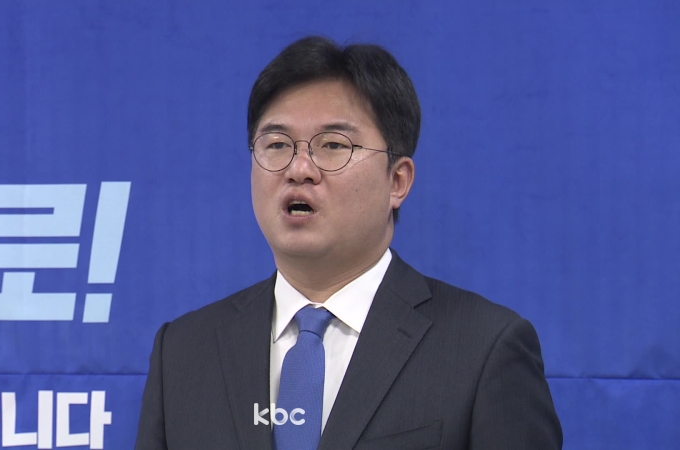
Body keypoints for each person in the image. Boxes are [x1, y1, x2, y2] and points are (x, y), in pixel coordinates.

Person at [135, 36, 562, 450]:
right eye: (277, 144)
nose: (299, 168)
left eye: (333, 145)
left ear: (397, 181)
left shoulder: (483, 348)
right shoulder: (184, 352)